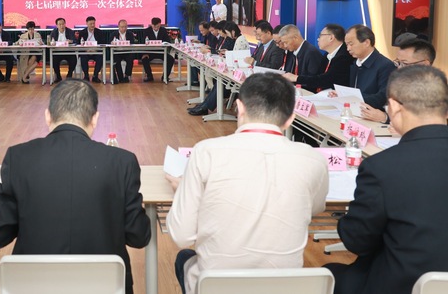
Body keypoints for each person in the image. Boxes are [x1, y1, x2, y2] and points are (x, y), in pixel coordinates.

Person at [0, 79, 151, 294]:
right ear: (95, 119)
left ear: (48, 116)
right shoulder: (122, 162)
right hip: (105, 287)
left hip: (34, 287)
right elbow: (138, 236)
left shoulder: (19, 157)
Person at [168, 73, 328, 294]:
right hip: (285, 287)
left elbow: (181, 236)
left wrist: (185, 192)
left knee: (184, 258)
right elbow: (315, 207)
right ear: (291, 118)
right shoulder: (314, 159)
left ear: (239, 107)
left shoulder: (206, 152)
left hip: (218, 286)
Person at [325, 66, 448, 294]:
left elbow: (357, 240)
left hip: (400, 284)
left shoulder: (382, 167)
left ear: (394, 107)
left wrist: (346, 218)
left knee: (328, 275)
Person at [360, 38, 435, 123]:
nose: (399, 68)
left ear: (424, 64)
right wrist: (355, 100)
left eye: (404, 63)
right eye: (398, 63)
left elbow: (421, 121)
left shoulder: (436, 91)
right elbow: (380, 98)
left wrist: (385, 118)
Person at [334, 24, 396, 109]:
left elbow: (383, 98)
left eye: (351, 44)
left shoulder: (386, 65)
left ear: (366, 43)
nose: (348, 49)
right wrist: (341, 94)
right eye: (347, 45)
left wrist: (350, 98)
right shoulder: (354, 63)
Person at [283, 24, 352, 92]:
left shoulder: (344, 57)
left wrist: (296, 78)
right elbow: (318, 76)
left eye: (320, 36)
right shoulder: (327, 55)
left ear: (331, 38)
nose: (318, 39)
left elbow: (325, 79)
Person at [140, 17, 175, 82]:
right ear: (151, 24)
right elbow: (143, 43)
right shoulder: (147, 31)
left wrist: (164, 44)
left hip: (162, 52)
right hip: (150, 52)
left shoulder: (163, 30)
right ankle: (149, 76)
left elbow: (168, 41)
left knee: (171, 59)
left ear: (160, 24)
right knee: (144, 59)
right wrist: (145, 53)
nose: (156, 28)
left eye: (158, 26)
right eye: (154, 26)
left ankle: (165, 77)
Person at [48, 17, 77, 82]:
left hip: (68, 52)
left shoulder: (70, 31)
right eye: (60, 24)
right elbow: (50, 42)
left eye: (63, 24)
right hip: (57, 52)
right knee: (53, 60)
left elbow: (75, 41)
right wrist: (52, 43)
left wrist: (71, 41)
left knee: (74, 59)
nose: (62, 26)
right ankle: (58, 76)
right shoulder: (54, 32)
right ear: (57, 25)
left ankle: (69, 75)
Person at [77, 16, 105, 83]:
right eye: (91, 24)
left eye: (93, 23)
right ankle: (86, 76)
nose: (92, 25)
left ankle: (95, 76)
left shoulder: (99, 32)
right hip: (86, 51)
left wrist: (96, 49)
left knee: (100, 58)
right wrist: (85, 50)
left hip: (96, 51)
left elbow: (102, 43)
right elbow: (79, 44)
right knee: (83, 58)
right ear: (87, 23)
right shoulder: (82, 32)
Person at [109, 19, 136, 83]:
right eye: (122, 27)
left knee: (130, 58)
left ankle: (127, 76)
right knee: (116, 60)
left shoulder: (130, 34)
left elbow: (132, 44)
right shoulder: (113, 34)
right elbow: (109, 44)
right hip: (117, 52)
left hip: (127, 52)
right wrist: (112, 43)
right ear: (118, 26)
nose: (124, 28)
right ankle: (120, 77)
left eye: (125, 27)